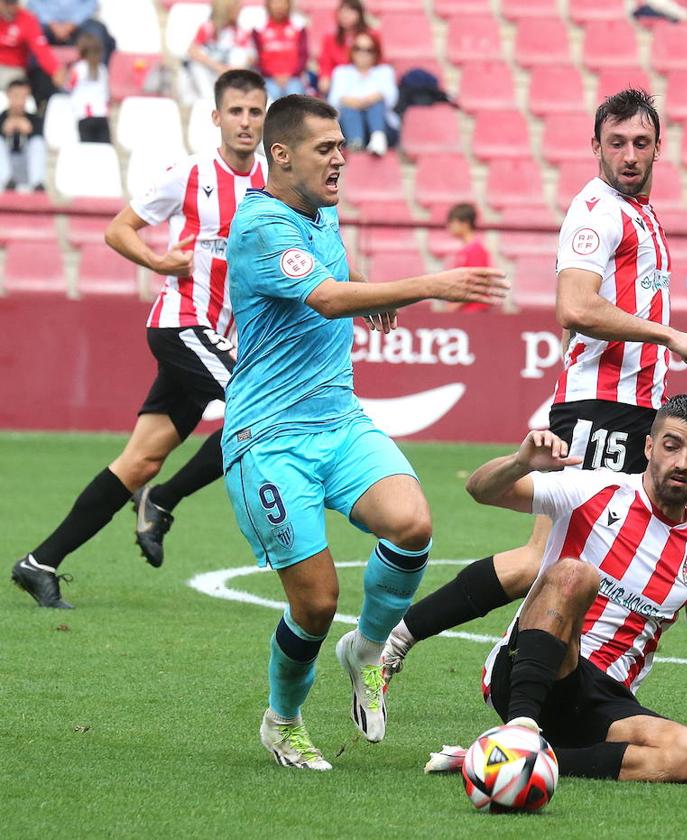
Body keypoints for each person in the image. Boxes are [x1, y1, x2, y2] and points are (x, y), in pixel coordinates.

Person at [383, 89, 687, 743]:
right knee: (541, 562)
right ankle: (394, 640)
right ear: (596, 147)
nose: (629, 154)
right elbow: (574, 306)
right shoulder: (597, 211)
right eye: (617, 142)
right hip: (598, 413)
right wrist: (667, 336)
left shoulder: (642, 213)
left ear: (659, 148)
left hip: (643, 417)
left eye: (641, 143)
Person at [222, 94, 506, 770]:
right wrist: (427, 284)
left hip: (339, 420)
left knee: (411, 524)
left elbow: (333, 283)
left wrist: (369, 295)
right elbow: (322, 297)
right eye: (326, 148)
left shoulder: (321, 212)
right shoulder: (261, 224)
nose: (341, 158)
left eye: (343, 146)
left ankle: (369, 649)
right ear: (282, 154)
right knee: (316, 604)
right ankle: (282, 720)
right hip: (270, 439)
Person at [428, 396, 687, 782]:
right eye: (672, 446)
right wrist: (519, 463)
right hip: (529, 668)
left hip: (601, 701)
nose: (681, 463)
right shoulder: (594, 488)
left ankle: (504, 758)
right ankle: (517, 731)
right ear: (649, 447)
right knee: (576, 573)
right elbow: (481, 490)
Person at [10, 70, 270, 609]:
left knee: (139, 462)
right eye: (237, 112)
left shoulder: (272, 182)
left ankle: (40, 562)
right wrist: (156, 259)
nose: (247, 122)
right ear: (217, 118)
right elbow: (118, 229)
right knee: (259, 409)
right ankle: (165, 501)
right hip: (180, 324)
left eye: (256, 112)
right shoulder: (191, 173)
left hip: (216, 339)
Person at [327, 30, 396, 155]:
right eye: (358, 49)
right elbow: (334, 101)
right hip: (349, 122)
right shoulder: (341, 72)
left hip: (382, 124)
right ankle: (356, 142)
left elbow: (391, 98)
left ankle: (378, 137)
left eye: (368, 50)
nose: (363, 54)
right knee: (349, 108)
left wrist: (369, 100)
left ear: (376, 52)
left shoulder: (385, 71)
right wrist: (359, 102)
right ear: (352, 51)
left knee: (377, 103)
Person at [184, 0, 255, 106]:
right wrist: (218, 67)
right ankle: (208, 99)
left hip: (232, 76)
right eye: (235, 7)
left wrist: (229, 70)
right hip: (210, 73)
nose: (239, 10)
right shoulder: (207, 28)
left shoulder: (241, 32)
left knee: (239, 55)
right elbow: (192, 51)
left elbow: (250, 58)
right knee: (196, 62)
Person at [0, 0, 63, 95]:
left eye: (14, 2)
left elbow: (41, 49)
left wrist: (55, 69)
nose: (11, 7)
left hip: (13, 68)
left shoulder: (27, 19)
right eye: (7, 2)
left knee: (16, 87)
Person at [316, 0, 376, 96]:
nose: (345, 15)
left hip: (363, 79)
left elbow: (378, 60)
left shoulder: (370, 36)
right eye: (342, 11)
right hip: (339, 82)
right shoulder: (330, 37)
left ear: (359, 14)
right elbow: (325, 62)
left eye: (350, 11)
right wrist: (325, 76)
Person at [252, 0, 308, 101]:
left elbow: (303, 55)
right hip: (268, 78)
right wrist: (273, 75)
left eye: (283, 2)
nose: (279, 6)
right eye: (275, 2)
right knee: (271, 94)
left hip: (293, 77)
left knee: (295, 94)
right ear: (268, 4)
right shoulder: (259, 28)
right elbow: (256, 57)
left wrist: (290, 74)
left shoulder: (298, 26)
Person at [443, 202, 493, 313]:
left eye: (452, 222)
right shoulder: (465, 250)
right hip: (465, 311)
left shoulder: (476, 250)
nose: (449, 226)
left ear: (465, 223)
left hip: (475, 312)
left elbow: (479, 281)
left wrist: (455, 305)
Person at [27, 0, 114, 63]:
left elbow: (91, 3)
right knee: (28, 31)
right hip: (47, 24)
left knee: (97, 31)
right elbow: (33, 3)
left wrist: (72, 23)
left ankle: (96, 77)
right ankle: (29, 79)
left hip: (78, 24)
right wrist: (52, 24)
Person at [0, 76, 45, 192]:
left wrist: (29, 131)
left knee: (37, 142)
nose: (20, 101)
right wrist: (4, 130)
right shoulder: (1, 119)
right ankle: (7, 182)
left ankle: (37, 184)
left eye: (24, 97)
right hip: (5, 168)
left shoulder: (35, 119)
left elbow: (39, 143)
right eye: (16, 96)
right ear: (8, 95)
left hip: (26, 167)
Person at [66, 31, 109, 144]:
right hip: (102, 116)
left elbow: (69, 86)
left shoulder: (78, 69)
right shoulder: (103, 69)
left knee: (87, 151)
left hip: (84, 116)